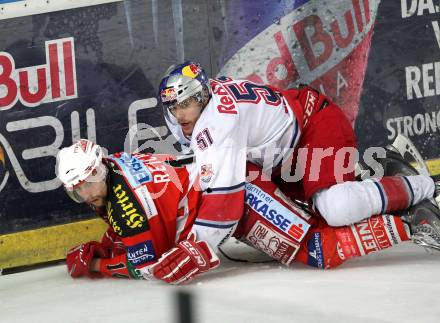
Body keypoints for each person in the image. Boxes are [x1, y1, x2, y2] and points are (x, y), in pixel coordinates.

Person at [56, 139, 440, 284]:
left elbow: (148, 266)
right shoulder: (114, 167)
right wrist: (107, 246)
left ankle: (412, 218)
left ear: (98, 172)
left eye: (84, 187)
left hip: (238, 196)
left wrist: (98, 264)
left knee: (319, 248)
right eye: (76, 194)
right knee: (316, 221)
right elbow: (139, 231)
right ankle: (391, 182)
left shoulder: (126, 201)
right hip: (227, 196)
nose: (84, 197)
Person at [158, 61, 439, 250]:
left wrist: (194, 248)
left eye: (188, 102)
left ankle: (422, 187)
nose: (181, 113)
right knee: (302, 225)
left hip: (312, 127)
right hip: (280, 157)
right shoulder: (194, 113)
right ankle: (380, 176)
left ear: (204, 95)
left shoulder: (219, 119)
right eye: (174, 105)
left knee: (335, 209)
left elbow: (223, 204)